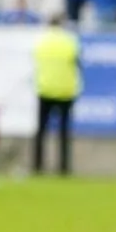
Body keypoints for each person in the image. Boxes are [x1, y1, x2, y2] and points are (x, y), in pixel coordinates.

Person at [33, 15, 82, 176]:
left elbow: (37, 62)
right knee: (63, 133)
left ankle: (38, 166)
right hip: (65, 91)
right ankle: (63, 167)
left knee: (41, 131)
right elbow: (77, 63)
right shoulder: (69, 42)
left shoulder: (42, 42)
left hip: (45, 89)